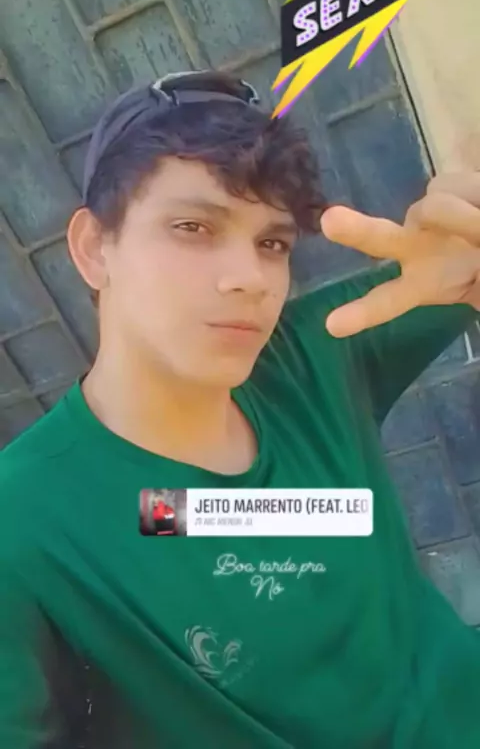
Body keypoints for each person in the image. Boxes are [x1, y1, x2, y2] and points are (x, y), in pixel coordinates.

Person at [0, 69, 479, 749]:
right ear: (93, 248)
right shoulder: (23, 526)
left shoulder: (315, 355)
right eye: (193, 227)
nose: (249, 279)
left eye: (272, 244)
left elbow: (457, 275)